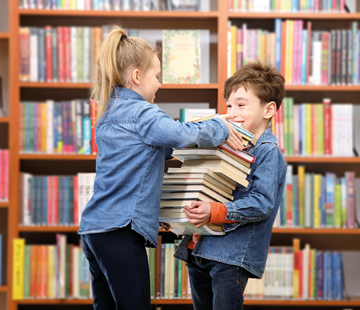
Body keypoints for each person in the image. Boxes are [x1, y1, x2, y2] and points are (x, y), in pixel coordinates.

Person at [78, 26, 243, 310]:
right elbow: (181, 135)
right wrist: (220, 124)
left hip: (93, 231)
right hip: (120, 230)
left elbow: (157, 148)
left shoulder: (107, 114)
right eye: (157, 76)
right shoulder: (142, 112)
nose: (160, 84)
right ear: (137, 76)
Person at [172, 62, 287, 310]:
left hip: (229, 256)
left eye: (242, 105)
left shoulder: (268, 152)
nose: (232, 113)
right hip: (198, 249)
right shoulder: (223, 144)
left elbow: (261, 203)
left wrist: (214, 211)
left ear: (268, 110)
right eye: (229, 105)